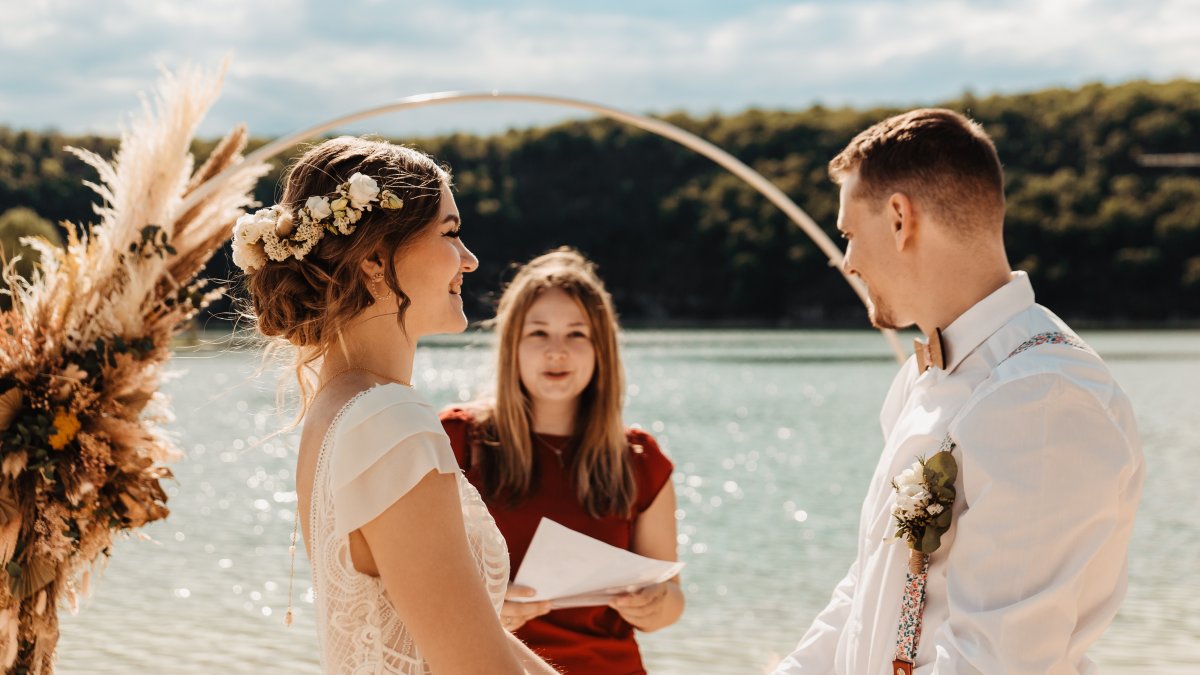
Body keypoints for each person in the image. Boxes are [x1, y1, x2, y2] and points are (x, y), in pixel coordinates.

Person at [772, 109, 1145, 674]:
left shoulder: (1041, 399)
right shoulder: (919, 380)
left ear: (899, 218)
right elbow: (868, 589)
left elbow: (997, 660)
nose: (845, 261)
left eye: (849, 234)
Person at [235, 137, 558, 674]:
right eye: (451, 234)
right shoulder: (389, 423)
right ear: (373, 263)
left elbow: (458, 636)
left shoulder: (336, 412)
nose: (470, 259)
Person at [440, 248, 684, 674]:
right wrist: (486, 608)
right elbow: (414, 582)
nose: (557, 352)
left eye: (576, 334)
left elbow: (671, 603)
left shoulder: (640, 460)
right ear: (512, 344)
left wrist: (656, 605)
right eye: (538, 334)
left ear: (600, 348)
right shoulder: (458, 440)